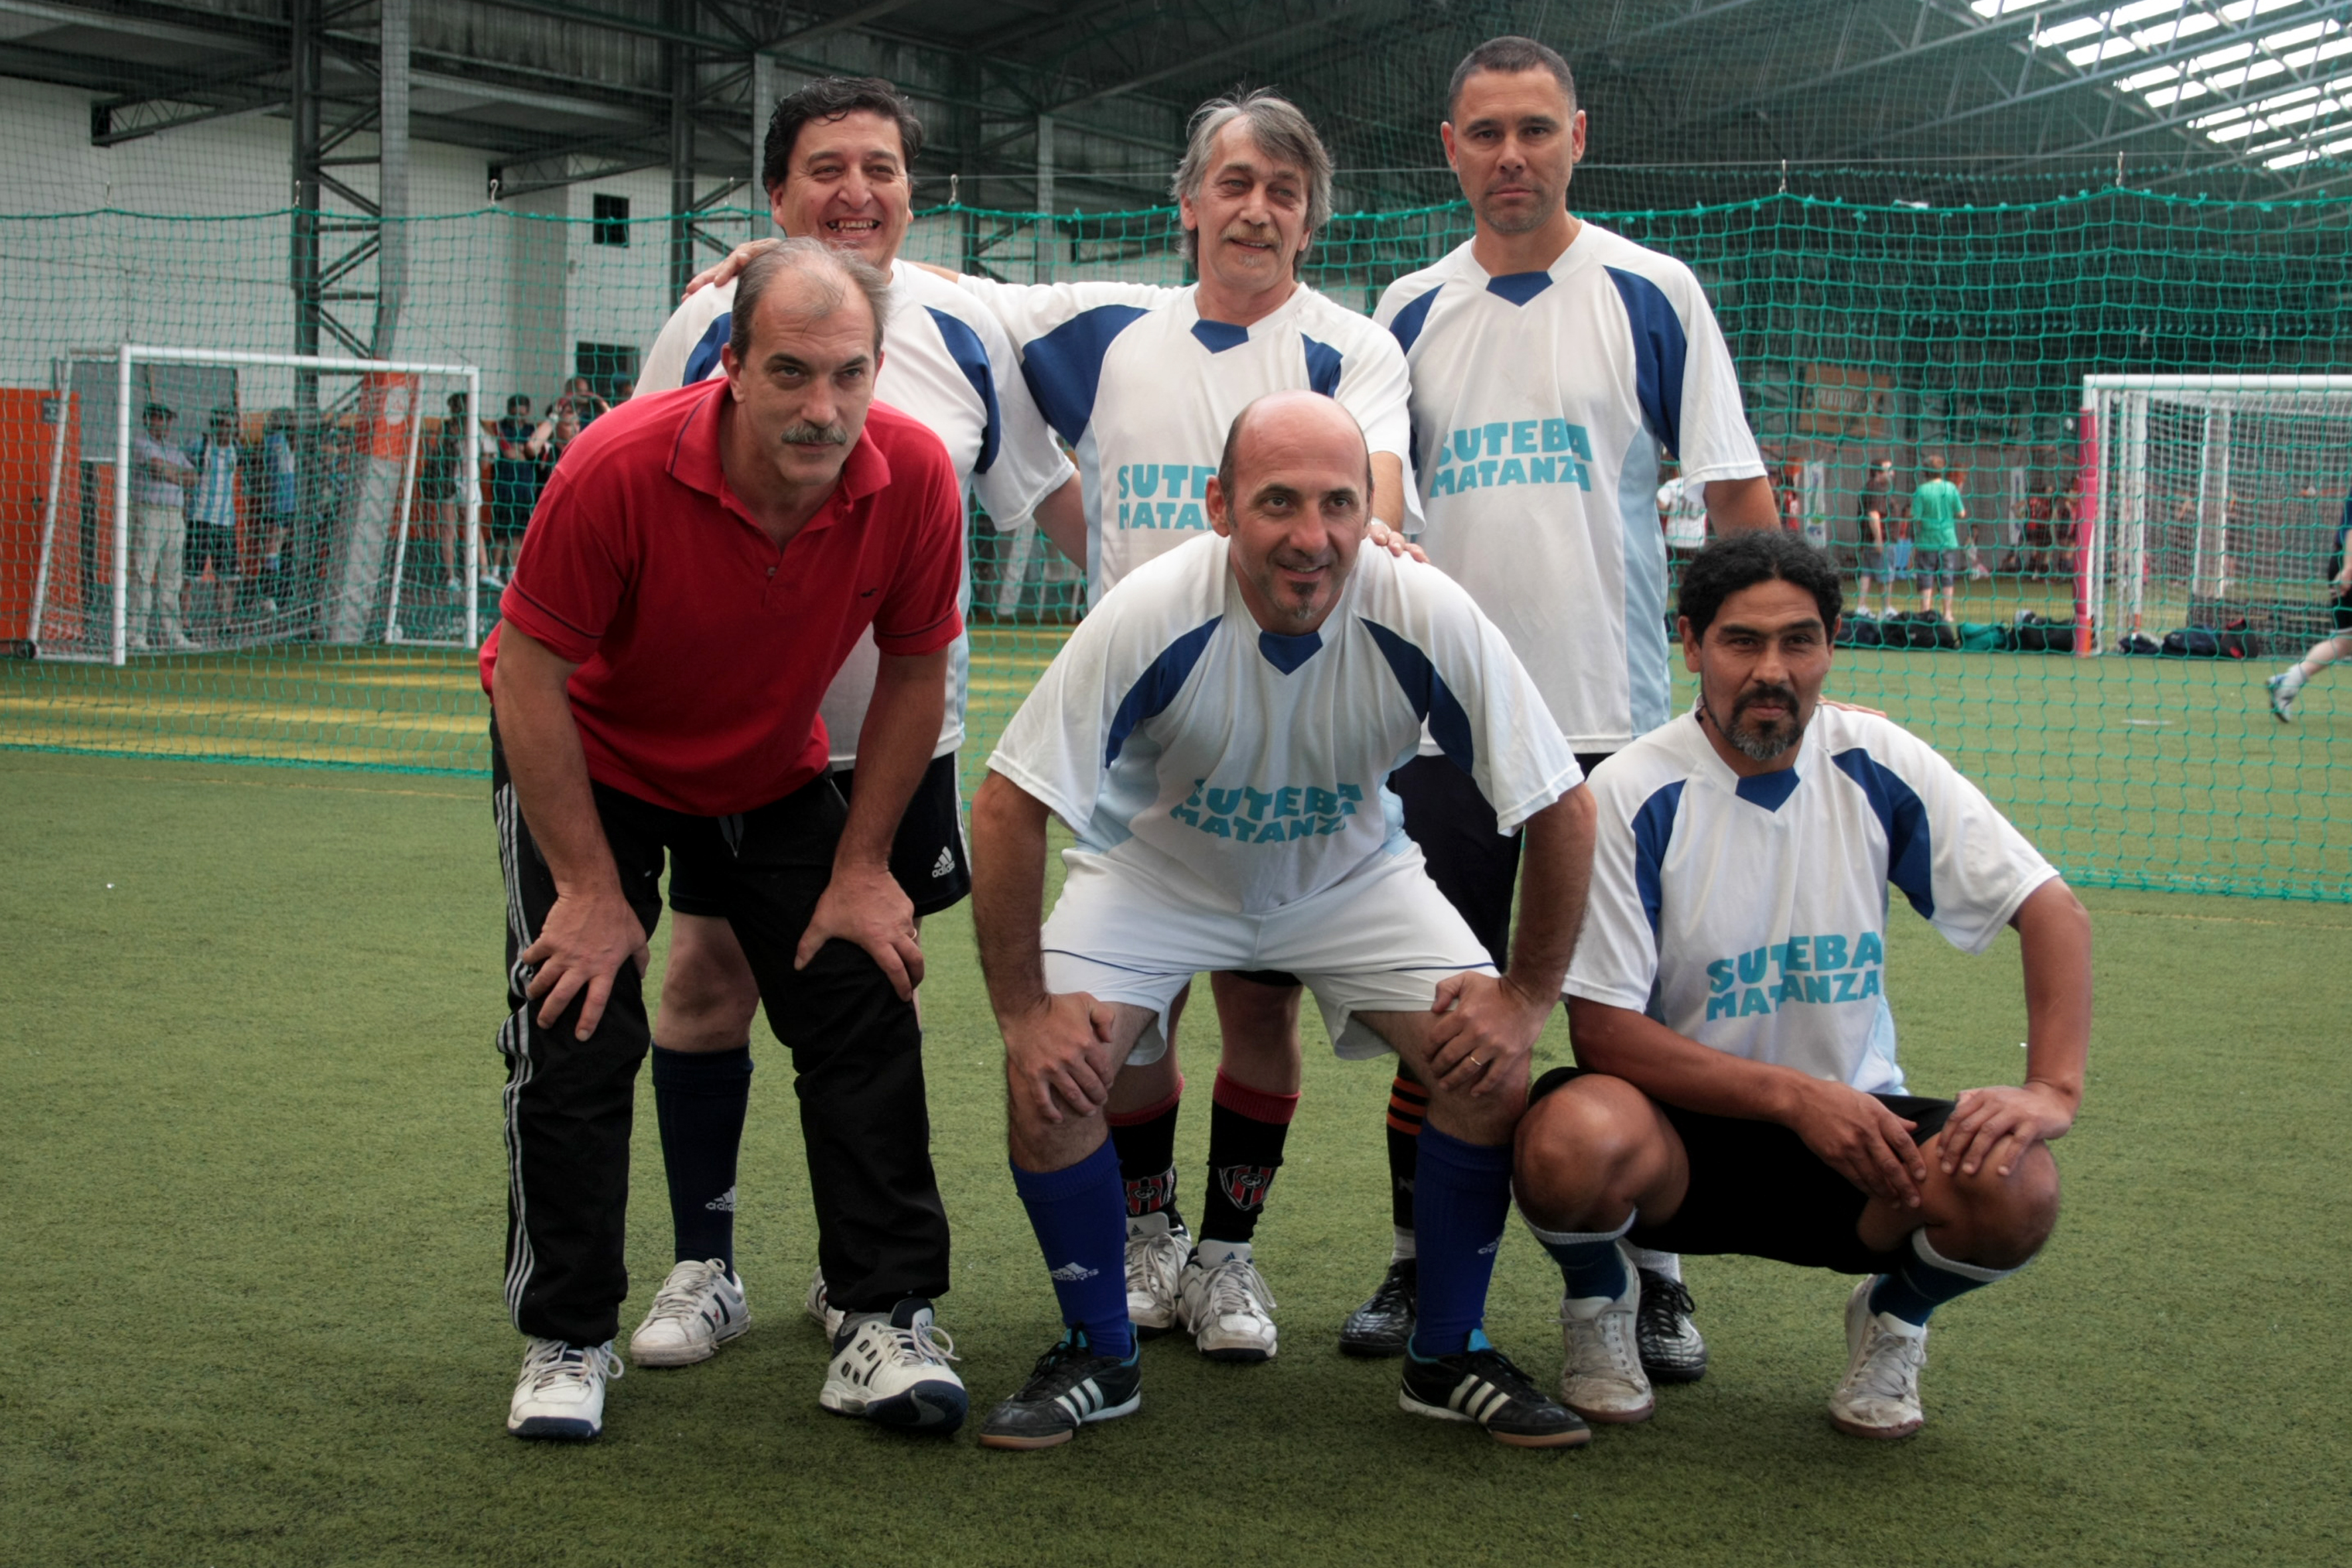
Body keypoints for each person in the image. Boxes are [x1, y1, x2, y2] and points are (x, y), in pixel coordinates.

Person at [970, 390, 1595, 1450]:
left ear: (1369, 509)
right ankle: (1097, 1349)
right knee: (1055, 1072)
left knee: (1486, 1065)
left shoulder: (1420, 605)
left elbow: (1561, 804)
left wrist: (1525, 997)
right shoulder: (1152, 607)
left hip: (1349, 880)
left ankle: (1446, 1351)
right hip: (1156, 876)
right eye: (1277, 502)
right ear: (1220, 506)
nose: (1311, 537)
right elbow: (1006, 802)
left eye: (1337, 503)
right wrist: (1025, 1011)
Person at [915, 89, 1417, 1366]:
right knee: (1127, 1020)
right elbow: (943, 291)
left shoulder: (1349, 347)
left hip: (1284, 737)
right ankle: (1147, 1231)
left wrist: (1376, 534)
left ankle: (1227, 1256)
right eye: (1234, 182)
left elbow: (1377, 488)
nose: (1257, 209)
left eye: (1283, 191)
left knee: (1260, 1008)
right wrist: (790, 252)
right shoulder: (1104, 329)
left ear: (1308, 217)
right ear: (1188, 201)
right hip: (1132, 746)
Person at [628, 74, 1081, 1370]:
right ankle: (705, 1260)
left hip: (894, 740)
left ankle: (857, 1272)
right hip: (728, 741)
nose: (855, 190)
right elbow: (640, 487)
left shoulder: (964, 326)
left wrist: (1169, 600)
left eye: (879, 167)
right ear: (775, 194)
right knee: (706, 976)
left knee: (873, 988)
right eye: (825, 167)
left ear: (911, 193)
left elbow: (1051, 502)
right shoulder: (707, 321)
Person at [486, 239, 971, 1443]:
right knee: (577, 1009)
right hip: (593, 757)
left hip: (763, 767)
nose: (823, 408)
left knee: (862, 984)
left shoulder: (914, 474)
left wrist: (862, 870)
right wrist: (588, 887)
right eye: (791, 372)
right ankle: (568, 1335)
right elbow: (527, 673)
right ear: (734, 367)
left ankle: (883, 1317)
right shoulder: (615, 465)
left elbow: (916, 669)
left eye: (849, 374)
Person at [1360, 34, 1774, 1372]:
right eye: (1485, 132)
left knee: (1620, 1012)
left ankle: (1655, 1273)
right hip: (1446, 730)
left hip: (1612, 730)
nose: (1510, 156)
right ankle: (1419, 1258)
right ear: (1450, 149)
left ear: (1577, 138)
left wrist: (1758, 673)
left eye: (1534, 129)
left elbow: (1736, 496)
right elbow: (1376, 505)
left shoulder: (1652, 292)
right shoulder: (1404, 310)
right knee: (1442, 1007)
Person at [1514, 529, 2088, 1439]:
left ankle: (1895, 1315)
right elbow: (1604, 1032)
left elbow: (2050, 909)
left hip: (1860, 1143)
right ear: (1691, 643)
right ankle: (1599, 1297)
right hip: (1676, 1139)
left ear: (1831, 645)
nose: (1771, 670)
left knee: (2018, 1185)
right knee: (1565, 1142)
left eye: (1799, 641)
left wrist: (2051, 1089)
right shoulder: (1631, 791)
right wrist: (1794, 1097)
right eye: (1742, 641)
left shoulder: (1874, 761)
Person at [2265, 483, 2352, 720]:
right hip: (2347, 565)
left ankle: (2288, 682)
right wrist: (2348, 569)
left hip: (2341, 561)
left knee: (2344, 640)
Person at [127, 401, 197, 652]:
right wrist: (176, 474)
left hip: (174, 515)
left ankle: (174, 635)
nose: (166, 425)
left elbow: (193, 478)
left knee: (172, 576)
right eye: (160, 419)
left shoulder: (174, 450)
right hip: (149, 512)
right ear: (148, 420)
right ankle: (135, 634)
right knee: (142, 573)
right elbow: (157, 469)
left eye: (168, 420)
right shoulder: (140, 444)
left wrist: (172, 473)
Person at [183, 406, 242, 637]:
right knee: (190, 575)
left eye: (230, 426)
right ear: (214, 426)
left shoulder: (237, 449)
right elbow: (183, 469)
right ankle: (184, 622)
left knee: (227, 577)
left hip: (226, 522)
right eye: (223, 425)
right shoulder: (199, 446)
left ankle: (225, 623)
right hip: (200, 519)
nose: (227, 430)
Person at [487, 394, 537, 586]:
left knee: (518, 533)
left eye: (522, 415)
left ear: (528, 413)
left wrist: (522, 452)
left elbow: (531, 454)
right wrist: (522, 451)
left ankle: (512, 571)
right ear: (509, 411)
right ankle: (495, 571)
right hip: (503, 489)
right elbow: (508, 452)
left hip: (524, 489)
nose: (518, 418)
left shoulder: (532, 430)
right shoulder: (499, 427)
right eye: (514, 414)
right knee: (501, 533)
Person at [1911, 455, 1966, 621]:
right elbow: (1961, 513)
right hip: (1947, 540)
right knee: (1947, 576)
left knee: (1926, 576)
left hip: (1927, 540)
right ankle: (1947, 613)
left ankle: (1925, 612)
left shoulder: (1921, 491)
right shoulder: (1951, 488)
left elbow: (1915, 517)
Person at [1855, 458, 1895, 618]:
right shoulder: (1876, 489)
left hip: (1868, 540)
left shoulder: (1870, 487)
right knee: (1885, 574)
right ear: (1878, 472)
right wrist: (1879, 539)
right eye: (1888, 470)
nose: (1892, 473)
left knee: (1867, 573)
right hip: (1879, 539)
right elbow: (1873, 514)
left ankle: (1861, 607)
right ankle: (1886, 609)